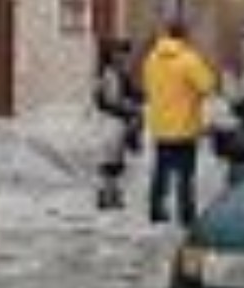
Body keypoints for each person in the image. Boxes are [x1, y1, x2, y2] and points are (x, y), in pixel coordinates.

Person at [140, 17, 219, 227]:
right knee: (185, 174)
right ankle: (186, 214)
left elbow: (147, 86)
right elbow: (208, 86)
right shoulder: (189, 59)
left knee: (161, 170)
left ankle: (156, 209)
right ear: (185, 35)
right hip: (185, 126)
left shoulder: (152, 58)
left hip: (160, 125)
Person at [93, 39, 144, 210]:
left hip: (118, 121)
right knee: (109, 159)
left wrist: (140, 100)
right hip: (110, 121)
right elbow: (106, 101)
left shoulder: (120, 73)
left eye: (125, 54)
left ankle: (112, 192)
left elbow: (133, 92)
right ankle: (106, 193)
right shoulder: (108, 74)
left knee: (116, 159)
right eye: (121, 54)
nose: (124, 58)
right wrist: (128, 109)